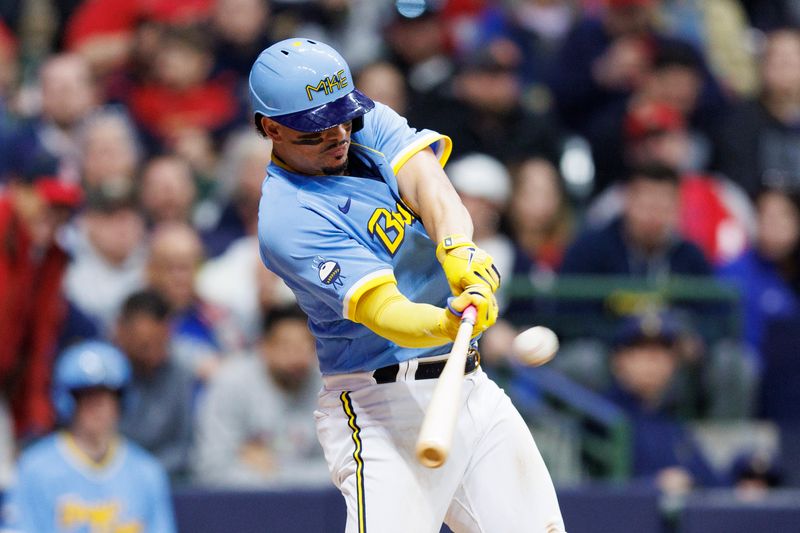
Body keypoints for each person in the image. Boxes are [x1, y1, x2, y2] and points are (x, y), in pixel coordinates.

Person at [250, 38, 564, 532]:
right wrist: (449, 317)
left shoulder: (353, 115)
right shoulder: (287, 218)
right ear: (272, 128)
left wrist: (458, 248)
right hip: (379, 406)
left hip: (470, 387)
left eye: (342, 121)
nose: (337, 136)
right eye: (316, 132)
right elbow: (387, 313)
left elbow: (428, 182)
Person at [4, 340, 176, 532]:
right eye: (87, 396)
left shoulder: (147, 472)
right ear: (68, 401)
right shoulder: (35, 468)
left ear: (120, 401)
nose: (98, 407)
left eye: (107, 396)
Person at [193, 304, 328, 488]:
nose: (297, 356)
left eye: (306, 345)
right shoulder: (231, 382)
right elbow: (212, 470)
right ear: (264, 346)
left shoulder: (327, 386)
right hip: (241, 508)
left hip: (313, 506)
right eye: (287, 345)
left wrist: (275, 469)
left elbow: (344, 470)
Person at [115, 289, 194, 480]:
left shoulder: (178, 374)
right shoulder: (104, 377)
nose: (154, 354)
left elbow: (184, 446)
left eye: (161, 343)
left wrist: (146, 473)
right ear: (122, 332)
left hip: (162, 478)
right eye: (144, 345)